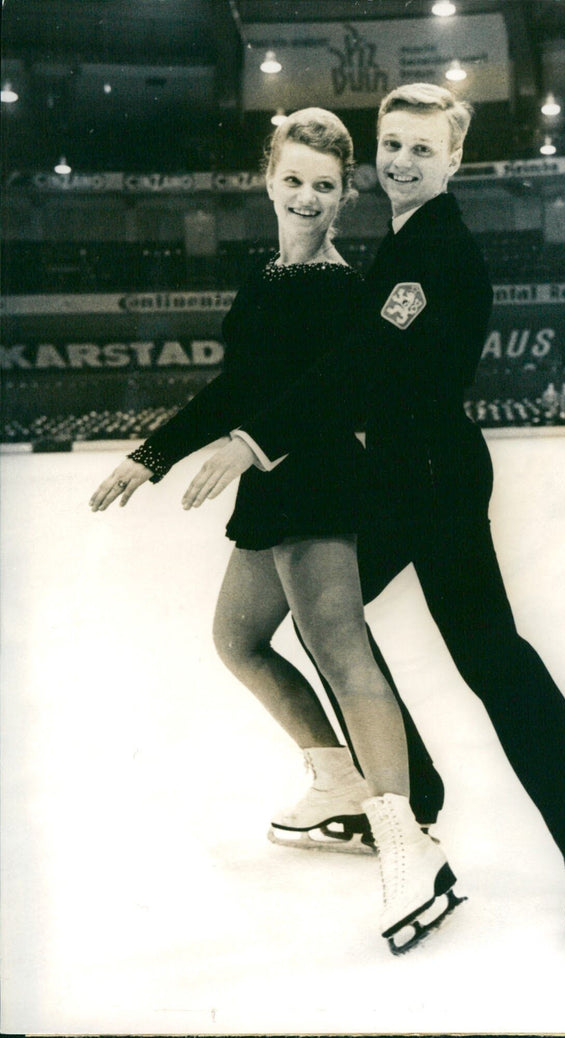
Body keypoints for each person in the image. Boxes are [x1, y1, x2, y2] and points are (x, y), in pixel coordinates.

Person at [185, 84, 565, 946]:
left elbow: (363, 362)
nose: (402, 160)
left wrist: (252, 438)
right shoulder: (406, 242)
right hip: (402, 477)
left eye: (422, 148)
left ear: (454, 161)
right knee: (328, 622)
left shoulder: (433, 253)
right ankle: (412, 794)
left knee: (489, 662)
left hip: (434, 483)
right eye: (392, 145)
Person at [89, 108, 463, 956]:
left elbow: (331, 394)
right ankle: (335, 777)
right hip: (270, 484)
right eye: (292, 180)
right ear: (269, 179)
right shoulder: (268, 278)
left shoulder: (336, 285)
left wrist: (251, 446)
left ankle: (408, 843)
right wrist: (151, 456)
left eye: (324, 187)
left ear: (344, 197)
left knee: (339, 646)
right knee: (237, 636)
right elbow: (233, 390)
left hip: (318, 482)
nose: (306, 197)